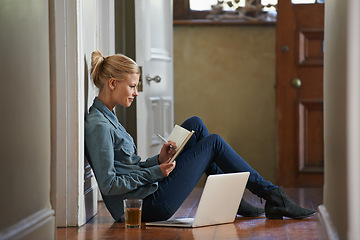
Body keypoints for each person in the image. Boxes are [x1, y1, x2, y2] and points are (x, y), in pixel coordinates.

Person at [85, 50, 316, 222]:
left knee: (195, 124)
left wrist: (158, 160)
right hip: (148, 205)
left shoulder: (109, 117)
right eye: (133, 86)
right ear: (113, 83)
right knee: (213, 142)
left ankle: (234, 197)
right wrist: (156, 171)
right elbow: (109, 184)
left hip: (148, 192)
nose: (136, 93)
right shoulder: (99, 126)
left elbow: (129, 166)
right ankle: (272, 195)